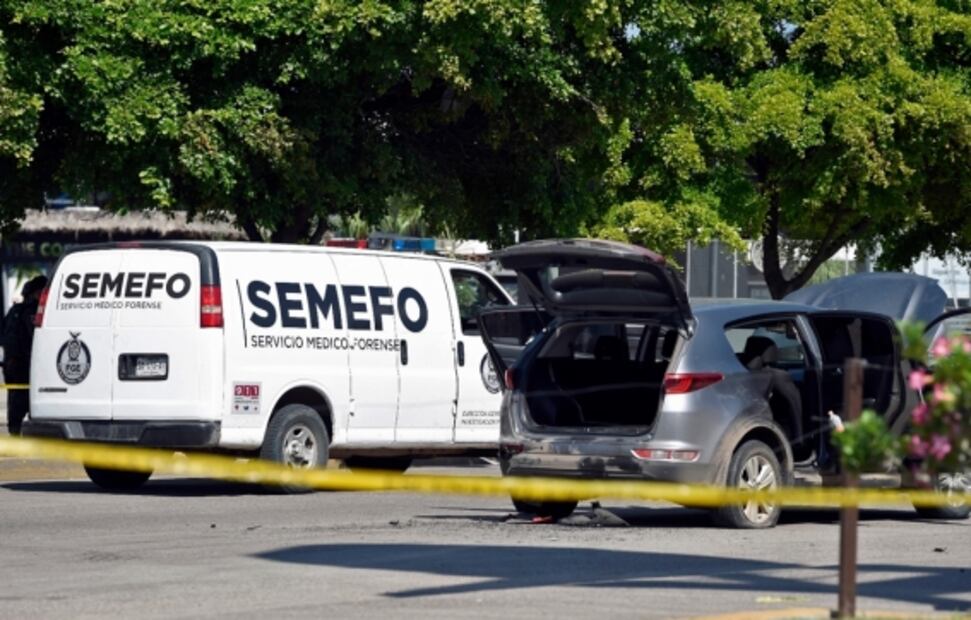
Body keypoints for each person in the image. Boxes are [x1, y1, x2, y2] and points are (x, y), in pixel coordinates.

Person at [3, 275, 48, 435]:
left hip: (12, 365)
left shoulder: (14, 311)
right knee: (31, 401)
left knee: (15, 402)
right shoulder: (36, 311)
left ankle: (15, 432)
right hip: (28, 365)